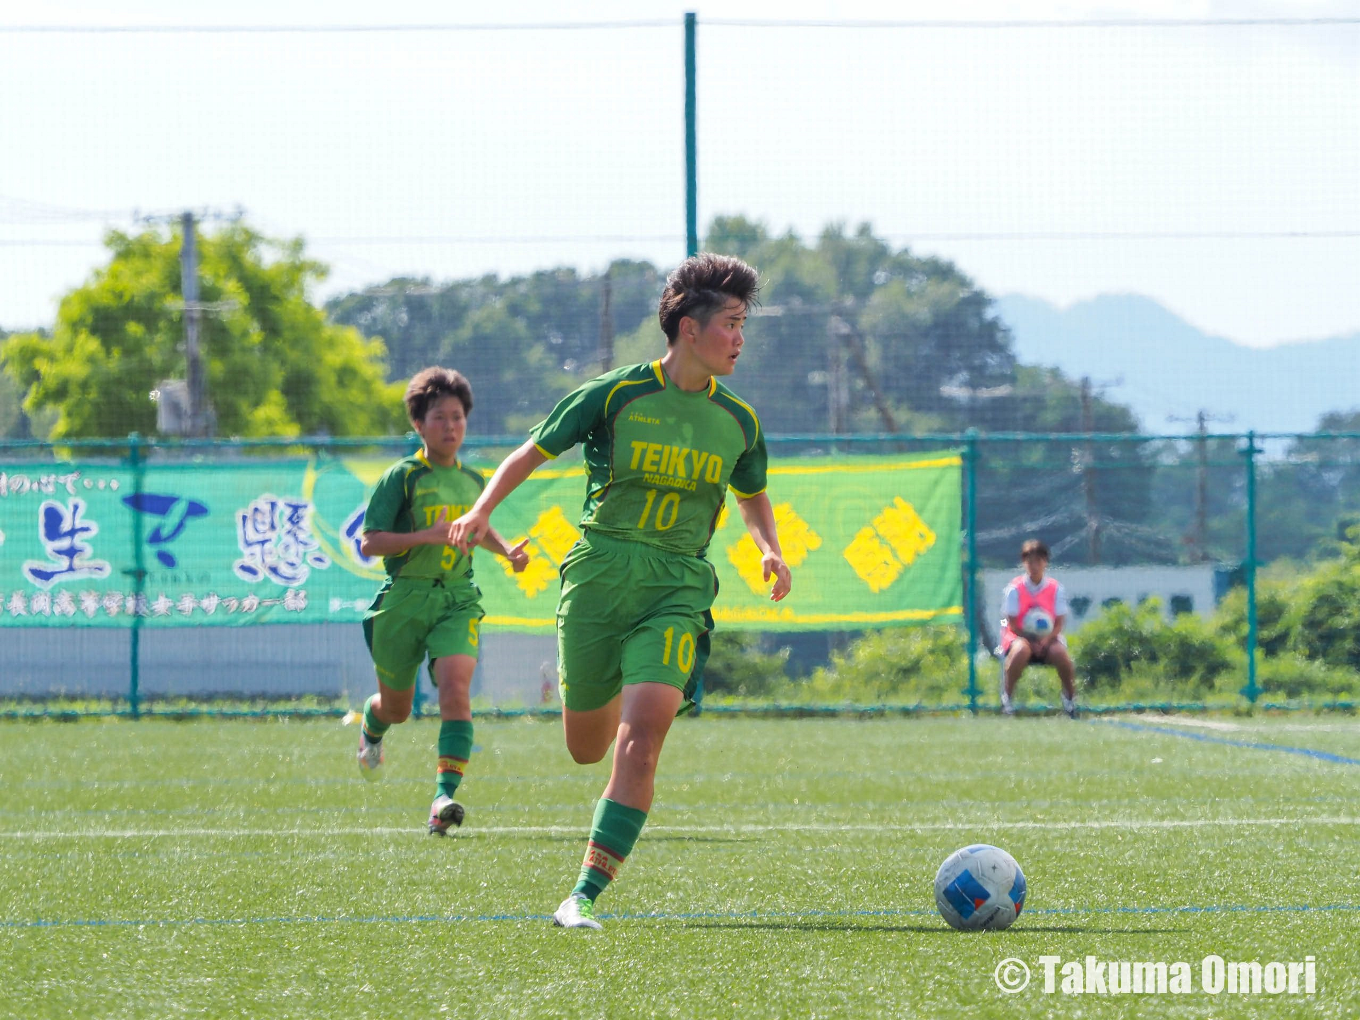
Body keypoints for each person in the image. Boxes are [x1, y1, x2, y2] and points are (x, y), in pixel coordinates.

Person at [448, 253, 792, 929]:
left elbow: (752, 495)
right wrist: (482, 509)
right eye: (730, 322)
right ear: (688, 329)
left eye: (743, 323)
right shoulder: (613, 395)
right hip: (600, 577)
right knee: (586, 746)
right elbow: (531, 451)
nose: (740, 337)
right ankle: (588, 692)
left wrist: (769, 549)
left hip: (677, 585)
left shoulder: (740, 422)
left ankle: (582, 895)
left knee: (642, 741)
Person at [355, 367, 529, 834]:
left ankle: (442, 799)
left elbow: (479, 527)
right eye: (439, 417)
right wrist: (423, 536)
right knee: (398, 708)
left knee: (456, 690)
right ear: (418, 424)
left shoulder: (475, 481)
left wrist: (507, 549)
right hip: (404, 601)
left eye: (457, 417)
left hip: (457, 598)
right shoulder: (403, 476)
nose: (450, 427)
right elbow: (370, 543)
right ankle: (373, 728)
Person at [999, 538, 1078, 718]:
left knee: (1060, 654)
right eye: (1029, 561)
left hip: (1048, 639)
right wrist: (1030, 640)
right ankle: (1007, 700)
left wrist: (1046, 640)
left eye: (1038, 561)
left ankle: (1070, 700)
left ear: (1045, 562)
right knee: (1020, 651)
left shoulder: (1055, 588)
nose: (1034, 566)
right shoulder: (1014, 589)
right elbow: (1011, 623)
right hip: (1020, 637)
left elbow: (1059, 623)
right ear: (1023, 563)